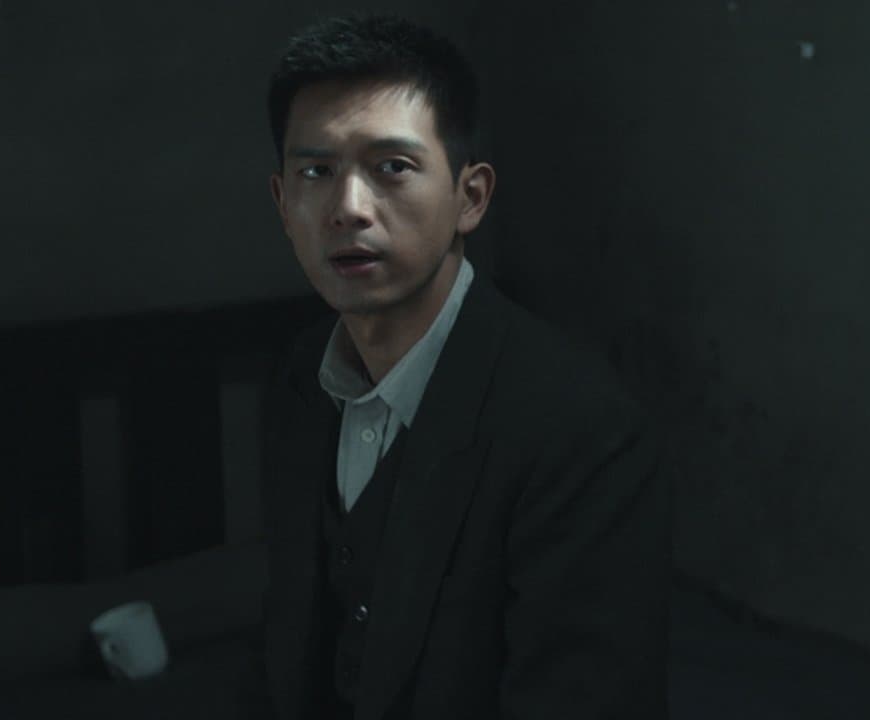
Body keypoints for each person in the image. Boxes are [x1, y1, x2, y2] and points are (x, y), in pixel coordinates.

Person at [242, 12, 672, 720]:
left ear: (469, 197)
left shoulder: (583, 434)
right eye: (316, 171)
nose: (349, 208)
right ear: (283, 204)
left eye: (392, 167)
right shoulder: (300, 382)